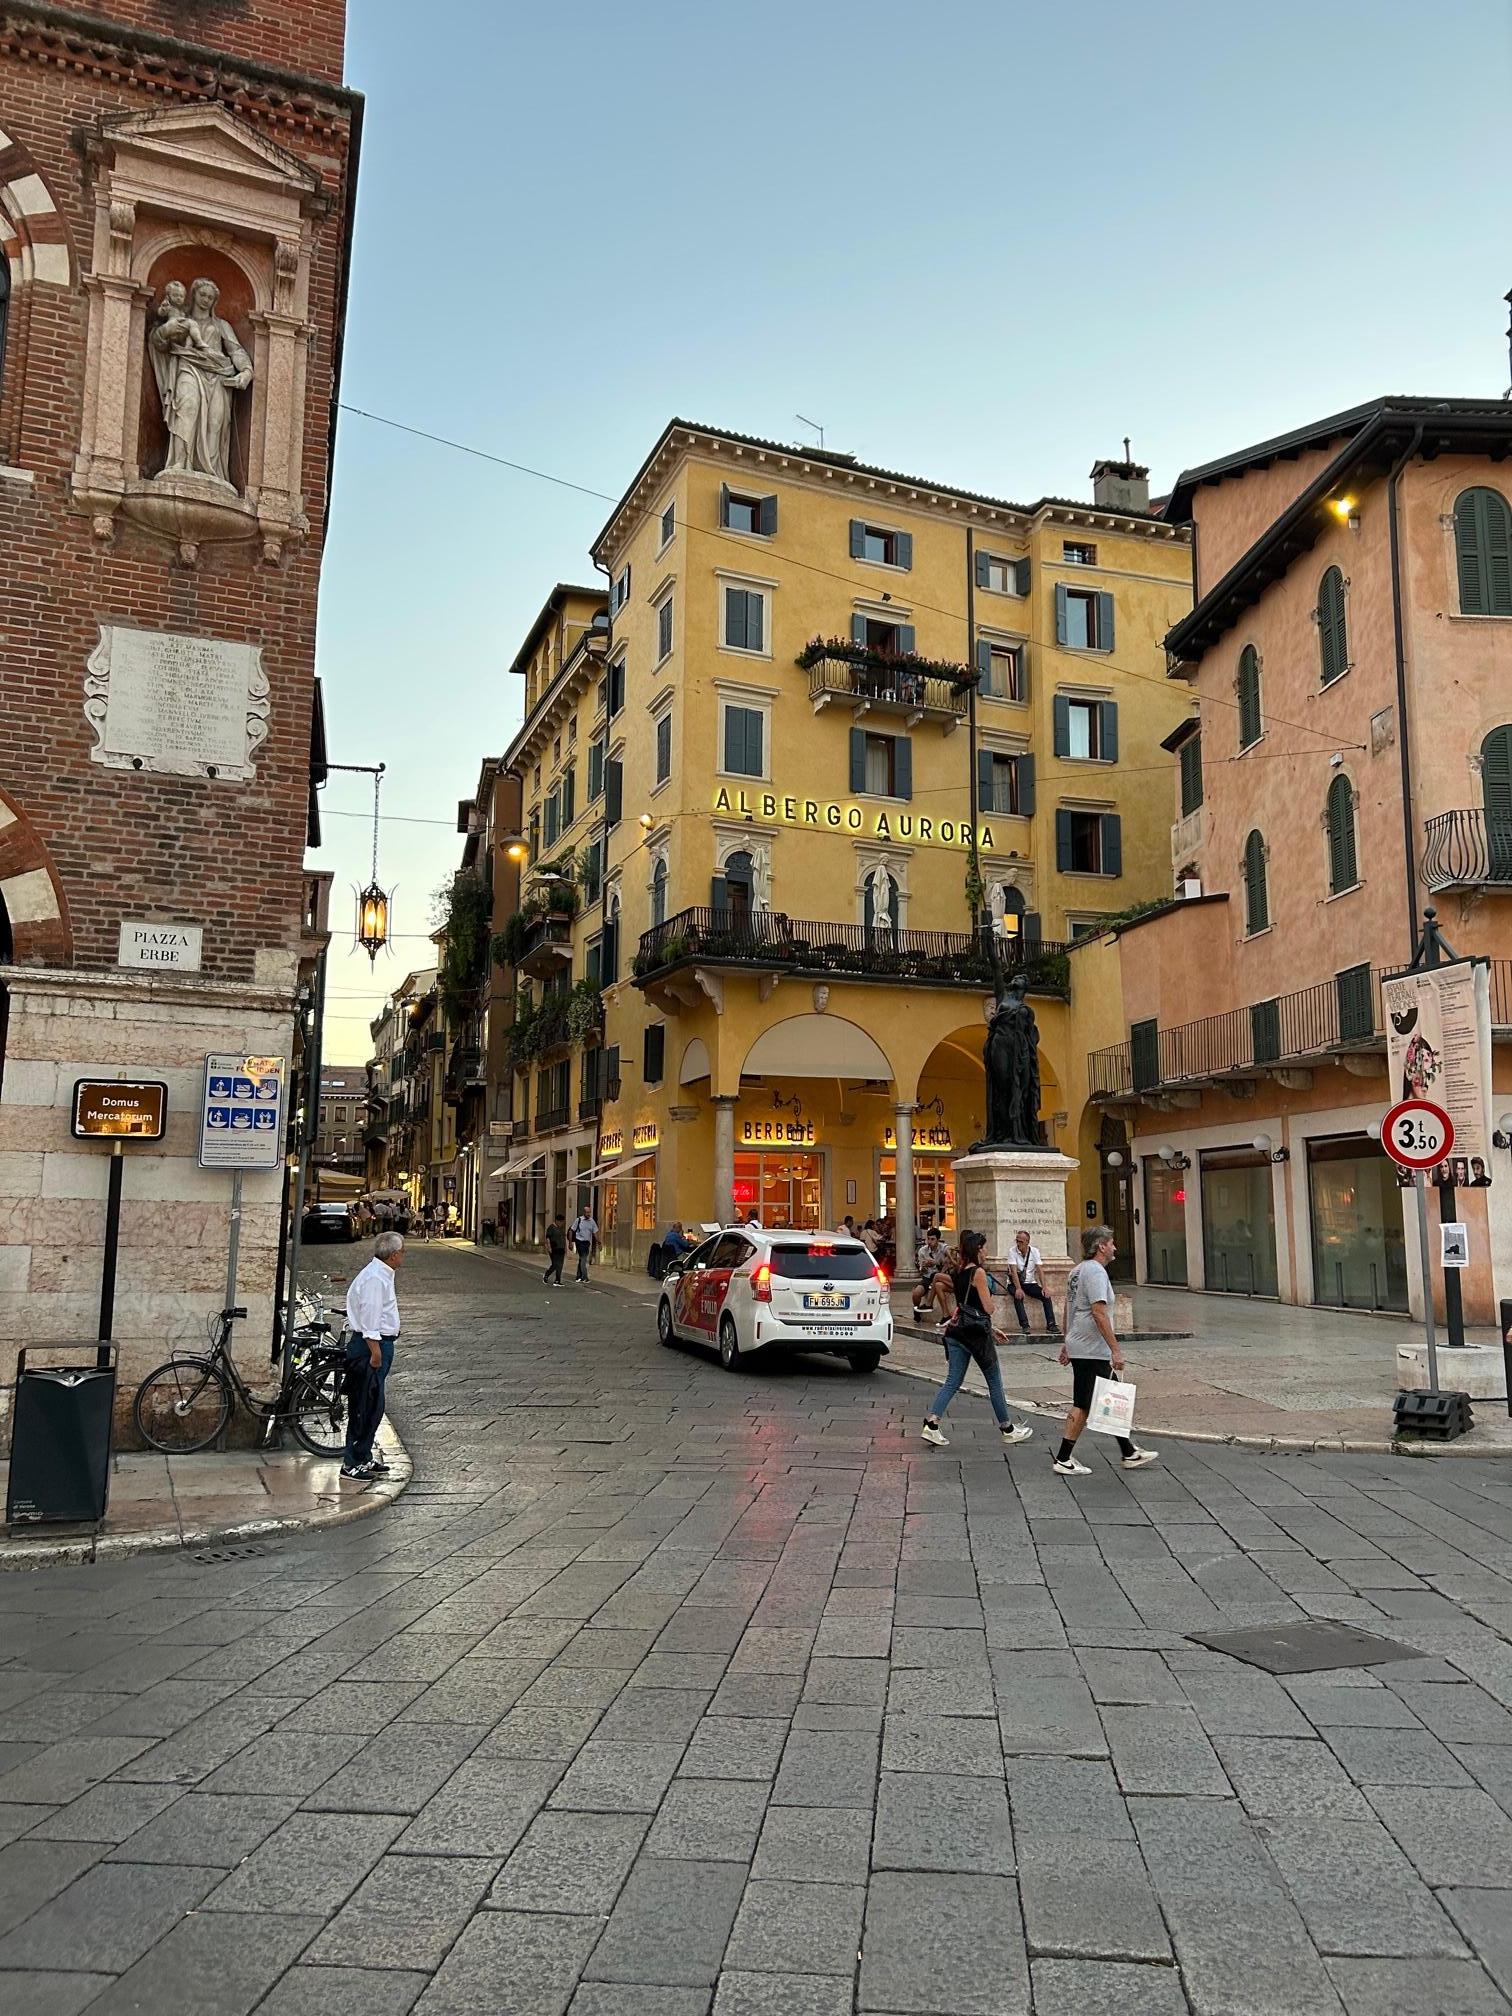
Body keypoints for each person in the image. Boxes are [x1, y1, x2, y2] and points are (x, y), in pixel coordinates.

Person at [1052, 1224, 1158, 1477]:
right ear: (1101, 1246)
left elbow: (1070, 1308)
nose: (1115, 1247)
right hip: (1091, 1348)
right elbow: (1099, 1312)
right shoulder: (1096, 1273)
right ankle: (1064, 1458)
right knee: (1085, 1404)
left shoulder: (1076, 1271)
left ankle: (1129, 1451)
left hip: (1081, 1344)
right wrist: (1116, 1350)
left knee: (1109, 1400)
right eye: (1111, 1243)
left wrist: (1067, 1341)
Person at [921, 1230, 1034, 1450]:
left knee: (953, 1381)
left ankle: (932, 1423)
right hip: (975, 1336)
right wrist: (991, 1298)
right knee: (994, 1381)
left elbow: (968, 1308)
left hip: (957, 1332)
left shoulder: (959, 1270)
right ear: (978, 1250)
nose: (987, 1251)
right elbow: (987, 1308)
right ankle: (1008, 1429)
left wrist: (992, 1329)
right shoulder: (979, 1273)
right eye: (984, 1247)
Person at [341, 1231, 404, 1480]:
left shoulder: (381, 1274)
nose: (404, 1256)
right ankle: (351, 1462)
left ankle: (364, 1456)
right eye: (403, 1252)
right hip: (371, 1347)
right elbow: (370, 1316)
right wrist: (375, 1351)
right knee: (364, 1404)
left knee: (374, 1405)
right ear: (394, 1254)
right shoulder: (376, 1278)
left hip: (378, 1344)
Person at [1008, 1228, 1058, 1334]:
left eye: (1021, 1241)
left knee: (1046, 1296)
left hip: (1030, 1283)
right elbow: (1013, 1271)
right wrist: (1018, 1288)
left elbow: (1040, 1270)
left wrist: (1044, 1287)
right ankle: (1025, 1325)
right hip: (1015, 1283)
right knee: (1018, 1296)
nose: (1018, 1243)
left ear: (1027, 1242)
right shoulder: (1012, 1251)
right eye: (1017, 1241)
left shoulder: (1034, 1251)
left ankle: (1051, 1324)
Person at [912, 1227, 949, 1316]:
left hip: (940, 1276)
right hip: (927, 1277)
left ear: (938, 1240)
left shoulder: (943, 1248)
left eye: (932, 1239)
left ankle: (929, 1304)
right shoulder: (922, 1251)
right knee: (916, 1293)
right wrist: (923, 1267)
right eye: (928, 1239)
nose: (929, 1241)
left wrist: (936, 1263)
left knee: (937, 1278)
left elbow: (949, 1260)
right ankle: (917, 1310)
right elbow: (921, 1271)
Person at [570, 1204, 599, 1282]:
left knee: (581, 1259)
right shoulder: (578, 1220)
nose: (588, 1214)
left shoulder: (591, 1221)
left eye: (589, 1212)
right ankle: (585, 1276)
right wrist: (570, 1243)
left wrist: (598, 1241)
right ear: (584, 1212)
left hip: (586, 1243)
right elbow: (571, 1230)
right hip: (579, 1242)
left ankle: (578, 1276)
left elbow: (595, 1232)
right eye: (587, 1212)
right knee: (583, 1259)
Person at [543, 1211, 567, 1286]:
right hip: (554, 1248)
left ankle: (557, 1280)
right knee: (555, 1264)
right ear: (557, 1221)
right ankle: (546, 1274)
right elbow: (547, 1238)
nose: (562, 1223)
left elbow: (563, 1238)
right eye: (561, 1222)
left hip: (561, 1249)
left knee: (560, 1265)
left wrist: (565, 1248)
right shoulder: (551, 1228)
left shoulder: (561, 1228)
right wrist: (549, 1247)